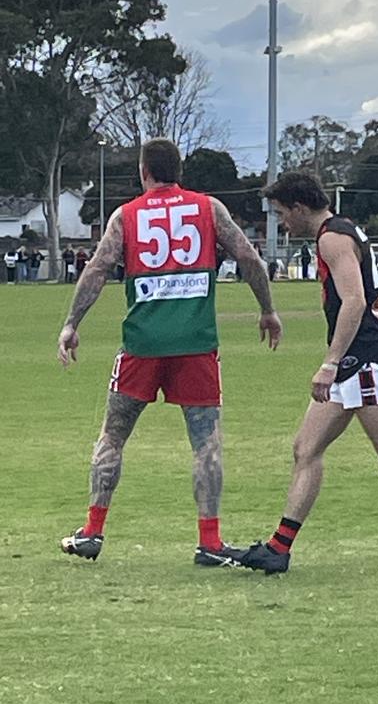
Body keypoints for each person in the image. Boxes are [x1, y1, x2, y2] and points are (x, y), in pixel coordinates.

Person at [57, 138, 283, 566]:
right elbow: (248, 257)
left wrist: (72, 324)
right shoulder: (209, 208)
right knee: (206, 444)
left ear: (144, 172)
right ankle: (210, 542)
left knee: (113, 436)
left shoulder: (126, 215)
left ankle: (93, 530)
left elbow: (99, 268)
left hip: (143, 344)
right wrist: (267, 310)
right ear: (179, 170)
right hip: (196, 344)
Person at [235, 172, 378, 579]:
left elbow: (355, 301)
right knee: (306, 447)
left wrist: (330, 362)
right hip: (355, 363)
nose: (283, 223)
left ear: (300, 208)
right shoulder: (342, 230)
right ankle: (278, 549)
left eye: (283, 214)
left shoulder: (331, 238)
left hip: (363, 360)